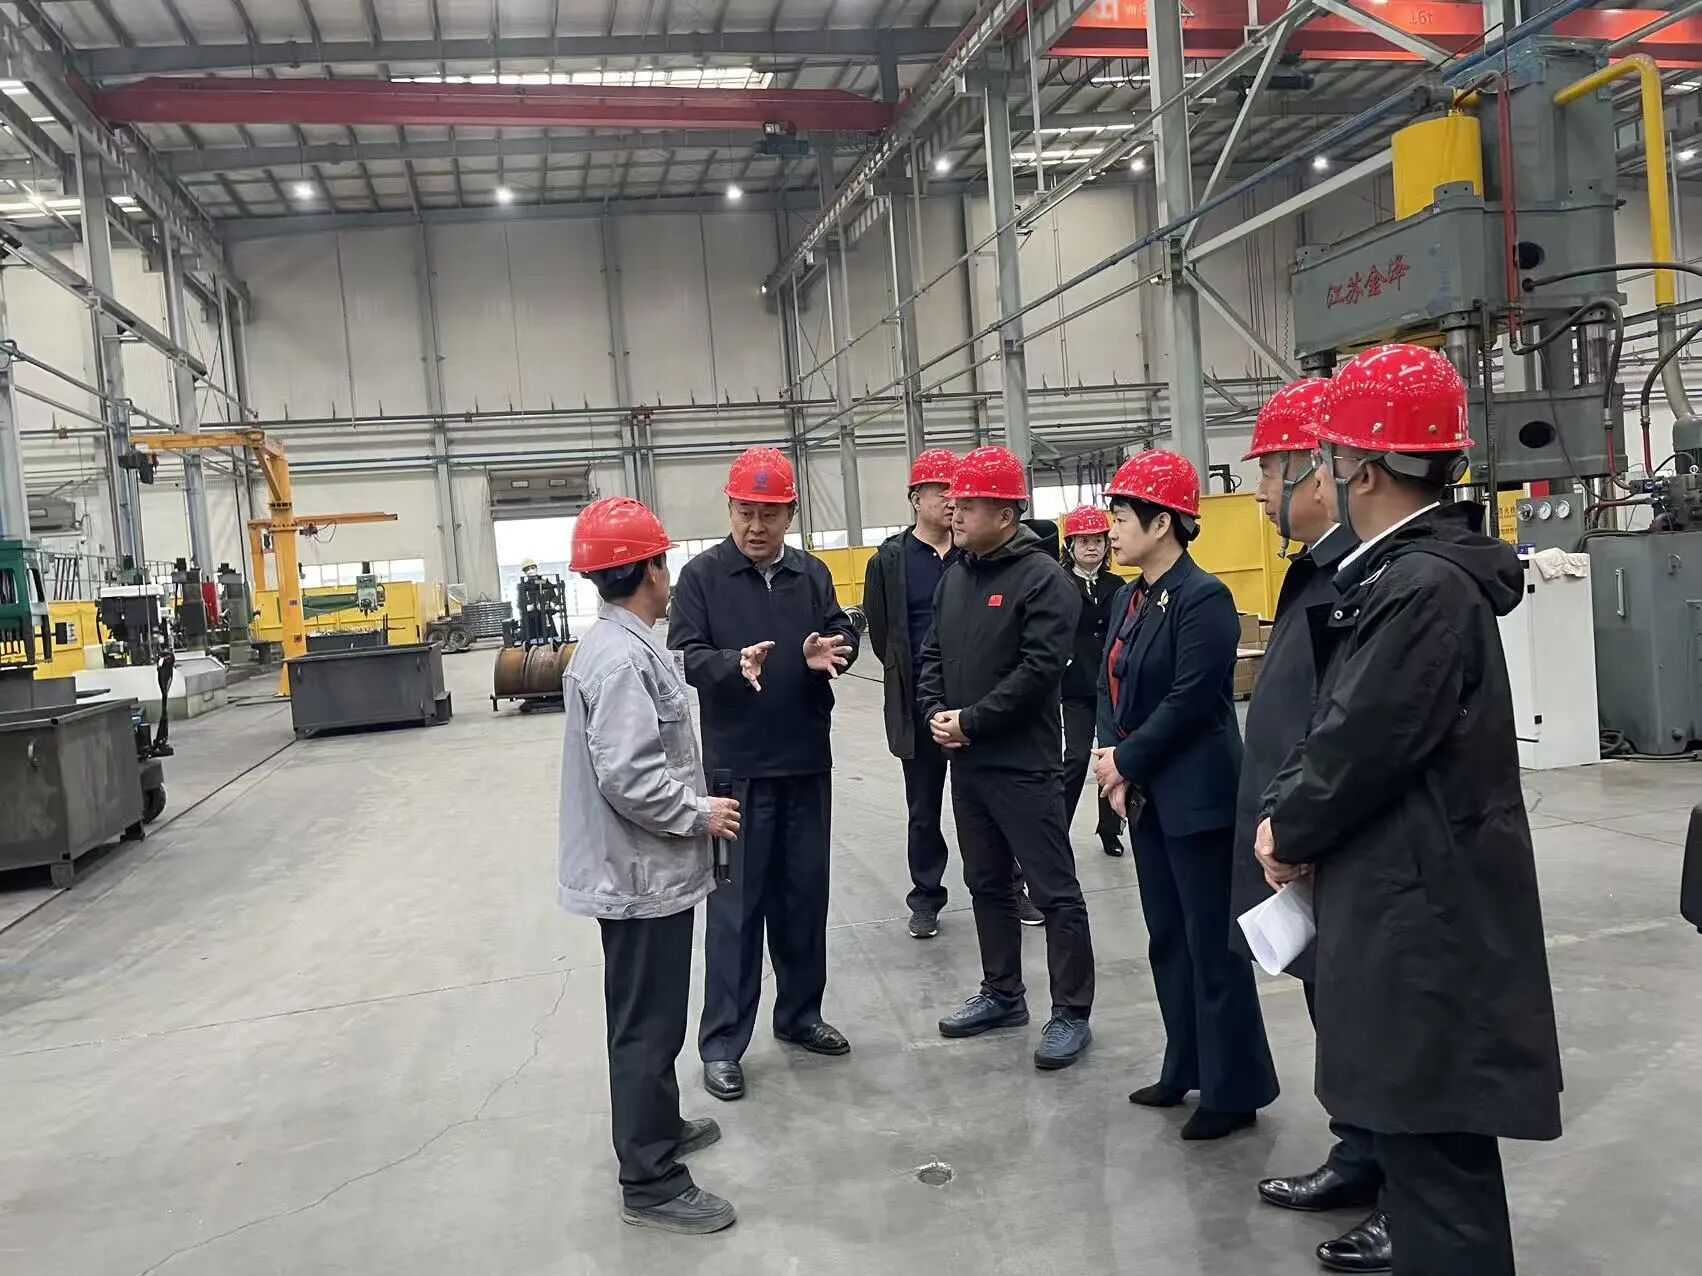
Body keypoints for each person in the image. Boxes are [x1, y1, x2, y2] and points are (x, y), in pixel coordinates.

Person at [1255, 345, 1562, 1275]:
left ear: (1363, 470)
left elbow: (1359, 744)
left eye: (1329, 460)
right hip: (1417, 896)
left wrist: (1287, 828)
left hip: (1420, 916)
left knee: (1436, 1169)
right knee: (1430, 1153)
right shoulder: (1412, 577)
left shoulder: (1419, 588)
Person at [1227, 380, 1386, 1271]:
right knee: (1335, 1005)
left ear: (1321, 472)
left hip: (1336, 842)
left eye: (1270, 471)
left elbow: (1350, 730)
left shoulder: (1368, 580)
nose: (1257, 491)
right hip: (1302, 838)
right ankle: (1360, 1150)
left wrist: (1307, 825)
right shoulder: (1318, 572)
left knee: (1371, 1016)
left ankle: (1401, 1185)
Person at [555, 496, 741, 1235]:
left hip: (641, 871)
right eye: (665, 564)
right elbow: (630, 778)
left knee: (651, 1018)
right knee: (646, 1027)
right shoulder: (621, 659)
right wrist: (700, 813)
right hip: (637, 876)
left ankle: (659, 1126)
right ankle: (651, 1179)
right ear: (651, 571)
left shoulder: (622, 645)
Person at [1090, 450, 1279, 1140]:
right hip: (1145, 794)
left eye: (1122, 516)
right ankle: (1185, 1066)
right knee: (1168, 939)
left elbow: (1192, 699)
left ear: (1163, 522)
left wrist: (1125, 761)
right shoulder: (1129, 598)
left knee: (1210, 946)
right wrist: (1113, 761)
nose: (1111, 530)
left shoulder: (1204, 599)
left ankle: (1234, 1089)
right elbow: (1109, 687)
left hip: (1197, 798)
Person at [668, 446, 860, 1103]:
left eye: (770, 514)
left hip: (805, 762)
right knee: (736, 909)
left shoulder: (811, 575)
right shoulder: (702, 577)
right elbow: (685, 656)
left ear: (790, 513)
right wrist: (733, 664)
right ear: (730, 509)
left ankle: (801, 1015)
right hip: (736, 774)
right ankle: (723, 1043)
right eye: (746, 512)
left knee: (803, 899)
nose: (757, 526)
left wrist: (829, 649)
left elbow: (840, 633)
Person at [919, 445, 1097, 1070]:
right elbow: (932, 654)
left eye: (968, 505)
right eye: (954, 503)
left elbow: (1039, 669)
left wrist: (971, 721)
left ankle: (1071, 1011)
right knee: (986, 881)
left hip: (1023, 764)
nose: (955, 513)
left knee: (1052, 890)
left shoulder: (1043, 579)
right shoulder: (956, 577)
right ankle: (1002, 993)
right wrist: (936, 713)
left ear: (1006, 513)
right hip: (968, 764)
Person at [864, 450, 1042, 938]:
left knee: (994, 801)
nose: (951, 500)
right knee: (923, 808)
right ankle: (926, 896)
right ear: (914, 497)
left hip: (977, 702)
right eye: (941, 490)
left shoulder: (977, 553)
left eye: (958, 492)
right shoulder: (890, 560)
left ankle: (1011, 887)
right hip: (919, 704)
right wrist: (921, 686)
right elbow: (882, 635)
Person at [1058, 505, 1125, 859]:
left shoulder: (1118, 587)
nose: (1092, 547)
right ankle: (1057, 829)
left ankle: (1110, 830)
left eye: (1098, 540)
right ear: (1070, 546)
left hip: (1112, 686)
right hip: (1075, 685)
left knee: (1111, 757)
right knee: (1075, 757)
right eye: (1083, 541)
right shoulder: (1058, 584)